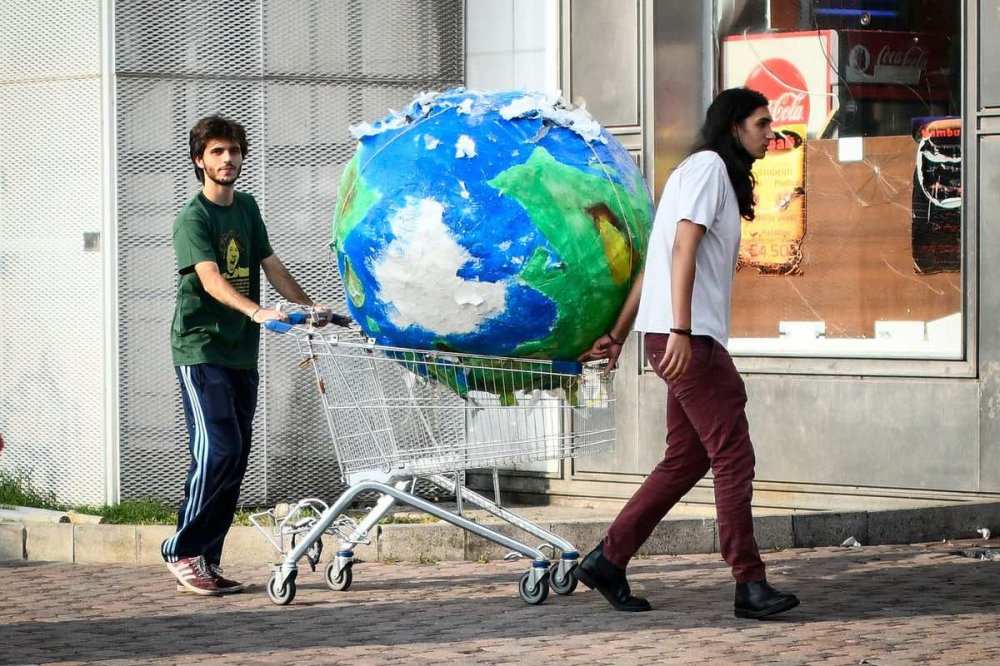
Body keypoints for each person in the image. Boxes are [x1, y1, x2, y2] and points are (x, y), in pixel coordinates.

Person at [573, 88, 800, 619]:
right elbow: (679, 249)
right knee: (733, 454)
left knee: (687, 458)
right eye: (762, 123)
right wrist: (678, 329)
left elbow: (655, 260)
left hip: (677, 335)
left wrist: (624, 333)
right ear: (734, 126)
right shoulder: (706, 169)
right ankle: (749, 583)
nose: (771, 133)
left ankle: (609, 558)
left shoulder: (700, 172)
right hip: (688, 339)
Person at [163, 115, 331, 595]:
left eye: (233, 150)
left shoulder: (248, 208)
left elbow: (271, 265)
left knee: (235, 459)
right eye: (217, 152)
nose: (228, 159)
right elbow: (212, 279)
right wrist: (257, 311)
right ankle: (181, 550)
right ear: (200, 161)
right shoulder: (193, 218)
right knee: (218, 449)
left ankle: (204, 560)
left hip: (241, 353)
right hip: (201, 349)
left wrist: (305, 306)